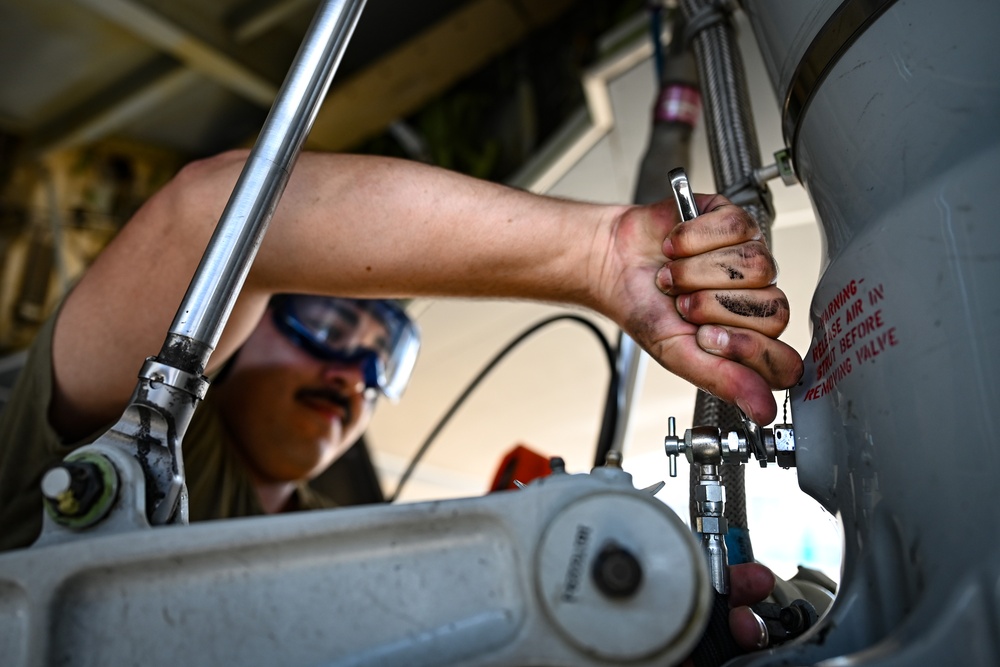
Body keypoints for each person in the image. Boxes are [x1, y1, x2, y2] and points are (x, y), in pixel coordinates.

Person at [0, 148, 800, 650]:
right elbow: (212, 220)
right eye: (329, 322)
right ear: (236, 329)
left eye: (384, 356)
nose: (351, 371)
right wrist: (597, 252)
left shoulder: (351, 544)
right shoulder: (121, 440)